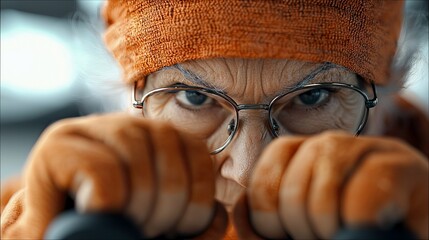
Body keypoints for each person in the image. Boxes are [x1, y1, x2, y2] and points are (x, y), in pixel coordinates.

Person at [1, 0, 428, 239]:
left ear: (385, 99)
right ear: (131, 99)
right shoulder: (50, 208)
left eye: (312, 97)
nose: (248, 168)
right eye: (194, 97)